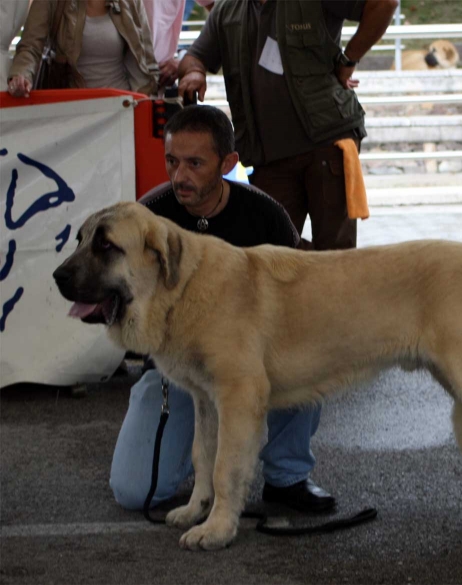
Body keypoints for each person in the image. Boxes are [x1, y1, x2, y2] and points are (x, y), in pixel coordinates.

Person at [110, 105, 336, 514]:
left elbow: (298, 302)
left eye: (195, 163)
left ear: (228, 163)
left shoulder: (266, 215)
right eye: (172, 162)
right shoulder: (148, 216)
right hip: (179, 373)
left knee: (309, 360)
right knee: (135, 492)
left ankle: (287, 477)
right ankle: (195, 471)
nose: (180, 177)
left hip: (259, 362)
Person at [178, 0, 398, 251]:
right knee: (270, 254)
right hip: (268, 158)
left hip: (326, 144)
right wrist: (194, 71)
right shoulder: (227, 9)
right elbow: (195, 56)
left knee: (336, 253)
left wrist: (349, 59)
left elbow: (384, 4)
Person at [7, 0, 158, 98]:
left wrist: (148, 99)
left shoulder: (132, 2)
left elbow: (147, 60)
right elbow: (31, 45)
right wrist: (21, 76)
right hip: (75, 112)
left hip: (124, 108)